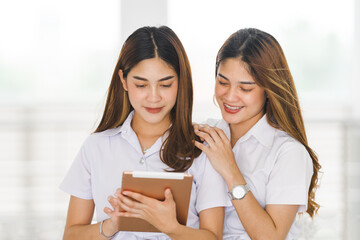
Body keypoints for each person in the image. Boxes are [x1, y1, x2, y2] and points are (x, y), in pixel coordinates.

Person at [60, 26, 229, 240]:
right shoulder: (97, 147)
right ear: (123, 80)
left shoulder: (202, 149)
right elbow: (71, 235)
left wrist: (172, 228)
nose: (154, 97)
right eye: (141, 84)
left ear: (181, 81)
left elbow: (213, 237)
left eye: (165, 84)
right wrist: (111, 225)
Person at [194, 28, 321, 240]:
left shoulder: (288, 152)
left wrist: (230, 170)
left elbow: (271, 237)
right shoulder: (205, 134)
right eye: (223, 82)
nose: (230, 96)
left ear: (269, 89)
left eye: (245, 88)